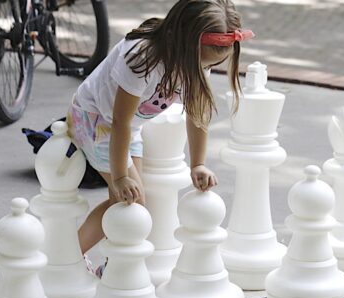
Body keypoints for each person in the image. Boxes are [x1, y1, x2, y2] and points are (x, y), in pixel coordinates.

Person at [65, 0, 254, 275]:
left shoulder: (198, 56)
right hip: (96, 120)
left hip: (129, 127)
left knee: (130, 199)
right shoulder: (142, 58)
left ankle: (112, 266)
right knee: (132, 200)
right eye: (202, 62)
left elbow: (197, 114)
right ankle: (67, 257)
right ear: (184, 41)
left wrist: (197, 163)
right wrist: (119, 177)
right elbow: (119, 121)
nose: (203, 68)